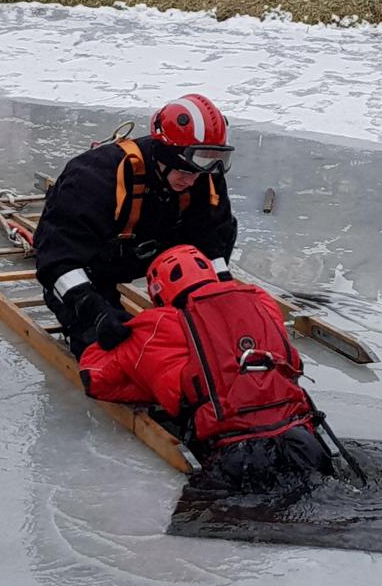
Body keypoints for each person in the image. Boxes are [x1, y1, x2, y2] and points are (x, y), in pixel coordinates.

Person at [78, 245, 339, 492]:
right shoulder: (259, 300)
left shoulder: (156, 325)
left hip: (234, 457)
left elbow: (96, 378)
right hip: (304, 441)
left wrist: (156, 388)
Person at [34, 94, 238, 359]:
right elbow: (56, 261)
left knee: (211, 334)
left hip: (152, 255)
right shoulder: (94, 177)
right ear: (166, 155)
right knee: (114, 346)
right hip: (95, 266)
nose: (193, 180)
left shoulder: (201, 176)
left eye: (201, 172)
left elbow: (212, 244)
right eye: (186, 172)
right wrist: (94, 310)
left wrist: (222, 299)